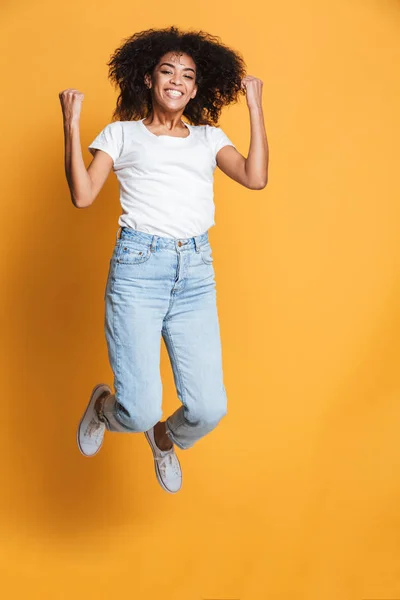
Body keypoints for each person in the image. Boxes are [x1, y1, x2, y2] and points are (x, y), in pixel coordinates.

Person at [59, 25, 268, 494]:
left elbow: (255, 178)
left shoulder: (209, 138)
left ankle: (164, 438)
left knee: (209, 408)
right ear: (149, 79)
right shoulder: (122, 133)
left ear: (198, 87)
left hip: (195, 272)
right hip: (139, 271)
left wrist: (254, 107)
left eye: (188, 75)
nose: (177, 80)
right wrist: (71, 125)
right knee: (136, 409)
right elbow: (83, 195)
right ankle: (104, 407)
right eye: (167, 71)